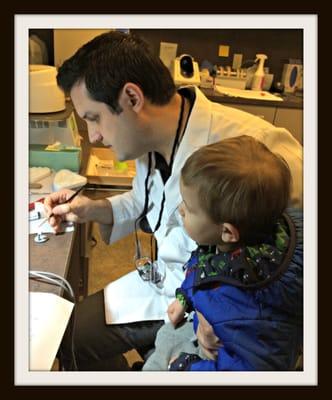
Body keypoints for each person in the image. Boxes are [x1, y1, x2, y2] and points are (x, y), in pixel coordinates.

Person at [44, 31, 303, 370]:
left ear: (132, 98)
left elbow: (300, 255)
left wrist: (226, 315)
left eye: (93, 118)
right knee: (68, 335)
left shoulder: (254, 148)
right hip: (172, 286)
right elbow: (145, 202)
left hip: (225, 306)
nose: (93, 135)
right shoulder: (145, 142)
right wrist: (92, 208)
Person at [143, 136, 303, 371]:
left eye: (188, 208)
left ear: (227, 231)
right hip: (209, 323)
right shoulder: (241, 239)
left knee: (156, 364)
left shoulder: (243, 307)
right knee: (165, 336)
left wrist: (188, 367)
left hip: (223, 358)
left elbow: (248, 371)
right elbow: (204, 263)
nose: (180, 209)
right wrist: (185, 297)